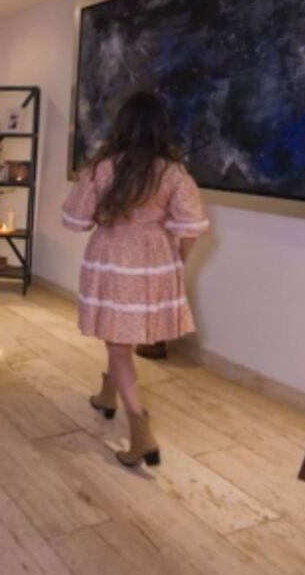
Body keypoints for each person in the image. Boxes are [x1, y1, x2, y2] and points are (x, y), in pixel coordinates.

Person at [61, 91, 209, 467]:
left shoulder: (103, 168)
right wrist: (176, 261)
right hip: (154, 261)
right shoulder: (173, 172)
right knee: (121, 336)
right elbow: (192, 226)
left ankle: (140, 430)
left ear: (122, 124)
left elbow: (75, 219)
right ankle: (107, 395)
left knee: (118, 341)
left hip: (112, 257)